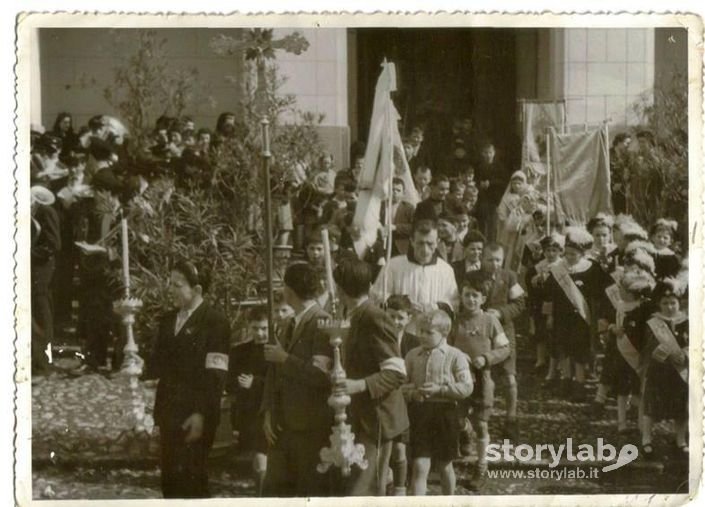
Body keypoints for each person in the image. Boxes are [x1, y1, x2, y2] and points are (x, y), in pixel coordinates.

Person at [148, 261, 231, 498]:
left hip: (195, 416)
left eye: (178, 285)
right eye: (170, 283)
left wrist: (200, 414)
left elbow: (216, 376)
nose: (171, 289)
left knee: (192, 482)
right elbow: (160, 366)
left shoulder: (215, 323)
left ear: (197, 290)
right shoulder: (167, 321)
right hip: (169, 414)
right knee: (170, 483)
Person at [333, 257, 409, 496]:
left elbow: (396, 372)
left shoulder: (374, 317)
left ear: (342, 288)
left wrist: (358, 385)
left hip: (375, 419)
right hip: (357, 417)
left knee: (364, 490)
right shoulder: (350, 314)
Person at [260, 262, 334, 497]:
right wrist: (268, 410)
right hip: (282, 425)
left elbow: (320, 375)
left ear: (290, 290)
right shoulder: (286, 323)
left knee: (307, 491)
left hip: (309, 428)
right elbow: (272, 373)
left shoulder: (322, 322)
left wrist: (285, 358)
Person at [403, 310, 473, 496]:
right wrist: (412, 394)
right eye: (421, 331)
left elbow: (467, 387)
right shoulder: (412, 356)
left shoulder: (455, 356)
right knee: (419, 465)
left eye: (429, 332)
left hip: (445, 414)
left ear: (444, 333)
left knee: (444, 465)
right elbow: (400, 386)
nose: (423, 336)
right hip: (420, 413)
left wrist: (441, 389)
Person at [450, 271, 510, 490]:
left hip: (482, 379)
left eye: (475, 295)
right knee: (457, 419)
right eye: (467, 295)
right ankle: (465, 432)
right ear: (461, 296)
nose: (471, 300)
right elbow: (445, 346)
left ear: (483, 298)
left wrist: (486, 358)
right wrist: (458, 356)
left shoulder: (490, 321)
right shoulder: (456, 322)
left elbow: (505, 348)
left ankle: (481, 465)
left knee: (482, 424)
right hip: (459, 379)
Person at [543, 227, 601, 401]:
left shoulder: (591, 269)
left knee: (579, 350)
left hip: (581, 318)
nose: (569, 257)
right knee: (563, 348)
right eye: (566, 253)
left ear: (582, 254)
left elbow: (598, 294)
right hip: (561, 317)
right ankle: (566, 380)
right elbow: (549, 296)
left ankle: (579, 383)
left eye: (573, 254)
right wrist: (549, 316)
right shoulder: (557, 270)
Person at [478, 243, 525, 440]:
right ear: (482, 259)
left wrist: (501, 313)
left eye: (498, 259)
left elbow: (520, 303)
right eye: (490, 259)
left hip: (504, 333)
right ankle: (481, 421)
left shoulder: (510, 277)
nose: (494, 264)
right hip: (481, 332)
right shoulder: (474, 278)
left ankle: (511, 418)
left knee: (509, 377)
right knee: (483, 377)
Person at [641, 277, 689, 458]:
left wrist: (685, 354)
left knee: (681, 406)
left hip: (681, 370)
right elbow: (648, 347)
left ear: (679, 303)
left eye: (673, 303)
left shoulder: (686, 320)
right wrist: (666, 353)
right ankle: (646, 439)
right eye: (665, 303)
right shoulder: (654, 322)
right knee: (652, 406)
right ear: (659, 304)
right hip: (660, 370)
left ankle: (680, 440)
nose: (670, 307)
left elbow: (696, 341)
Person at [370, 219, 458, 311]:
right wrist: (402, 304)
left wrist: (436, 307)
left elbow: (453, 302)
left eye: (430, 243)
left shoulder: (445, 270)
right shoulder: (393, 266)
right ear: (412, 241)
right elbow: (377, 296)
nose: (425, 249)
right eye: (420, 243)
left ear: (437, 242)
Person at [227, 307, 270, 496]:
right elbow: (229, 384)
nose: (260, 333)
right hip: (250, 414)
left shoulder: (277, 349)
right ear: (248, 327)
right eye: (255, 328)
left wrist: (255, 383)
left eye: (264, 328)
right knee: (258, 458)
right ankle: (260, 494)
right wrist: (238, 384)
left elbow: (281, 382)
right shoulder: (240, 352)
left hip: (271, 411)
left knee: (264, 458)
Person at [384, 294, 417, 496]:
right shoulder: (378, 338)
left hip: (405, 400)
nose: (395, 322)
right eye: (391, 316)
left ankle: (400, 488)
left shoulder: (413, 342)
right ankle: (387, 480)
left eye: (400, 317)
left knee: (400, 447)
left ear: (409, 318)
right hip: (384, 399)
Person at [31, 186, 61, 380]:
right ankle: (39, 362)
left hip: (42, 269)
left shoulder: (46, 212)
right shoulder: (39, 212)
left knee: (42, 316)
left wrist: (28, 252)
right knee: (38, 314)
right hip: (37, 267)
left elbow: (53, 244)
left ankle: (43, 365)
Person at [526, 232, 564, 379]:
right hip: (541, 302)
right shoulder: (538, 267)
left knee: (556, 333)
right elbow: (531, 287)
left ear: (560, 251)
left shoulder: (562, 265)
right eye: (547, 250)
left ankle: (559, 363)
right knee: (540, 331)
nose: (551, 253)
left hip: (557, 303)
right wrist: (536, 281)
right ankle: (541, 360)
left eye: (554, 250)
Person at [474, 141, 507, 242]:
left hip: (494, 199)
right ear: (482, 154)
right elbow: (474, 179)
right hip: (482, 198)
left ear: (494, 153)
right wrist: (479, 184)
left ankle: (492, 242)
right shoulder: (479, 167)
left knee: (493, 223)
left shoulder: (499, 167)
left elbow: (504, 182)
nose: (488, 155)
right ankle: (482, 242)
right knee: (482, 222)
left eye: (490, 152)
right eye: (485, 153)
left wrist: (491, 183)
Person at [380, 177, 416, 256]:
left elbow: (414, 227)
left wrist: (396, 227)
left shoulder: (409, 208)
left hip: (401, 247)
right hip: (382, 245)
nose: (395, 192)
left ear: (403, 193)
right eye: (392, 189)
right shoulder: (381, 206)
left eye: (398, 190)